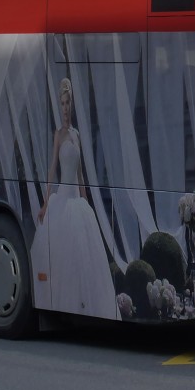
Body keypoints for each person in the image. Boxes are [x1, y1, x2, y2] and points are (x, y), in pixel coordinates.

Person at [34, 78, 119, 320]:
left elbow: (81, 174)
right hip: (61, 201)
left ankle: (83, 306)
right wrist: (45, 202)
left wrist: (86, 204)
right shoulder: (58, 135)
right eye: (61, 103)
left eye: (67, 103)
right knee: (64, 257)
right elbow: (53, 169)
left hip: (76, 201)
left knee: (84, 260)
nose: (64, 107)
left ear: (72, 105)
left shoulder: (77, 135)